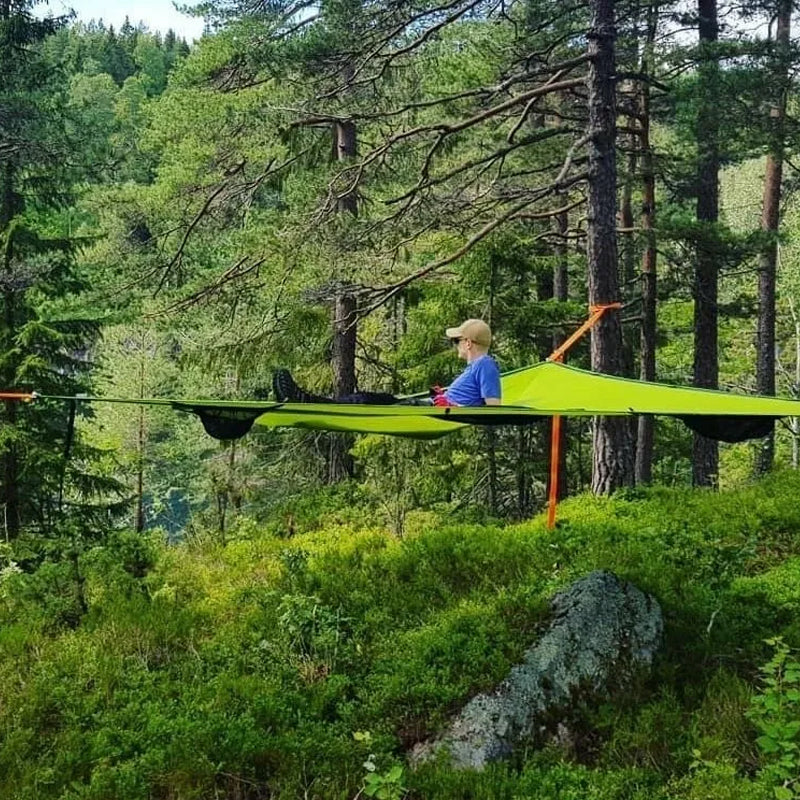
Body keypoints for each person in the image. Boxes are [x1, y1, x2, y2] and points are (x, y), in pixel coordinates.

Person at [273, 318, 502, 407]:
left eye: (456, 341)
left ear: (469, 343)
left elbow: (493, 408)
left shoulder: (485, 365)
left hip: (433, 410)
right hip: (432, 404)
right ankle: (306, 399)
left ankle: (305, 400)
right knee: (370, 397)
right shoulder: (478, 366)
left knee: (364, 403)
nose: (455, 345)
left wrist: (453, 405)